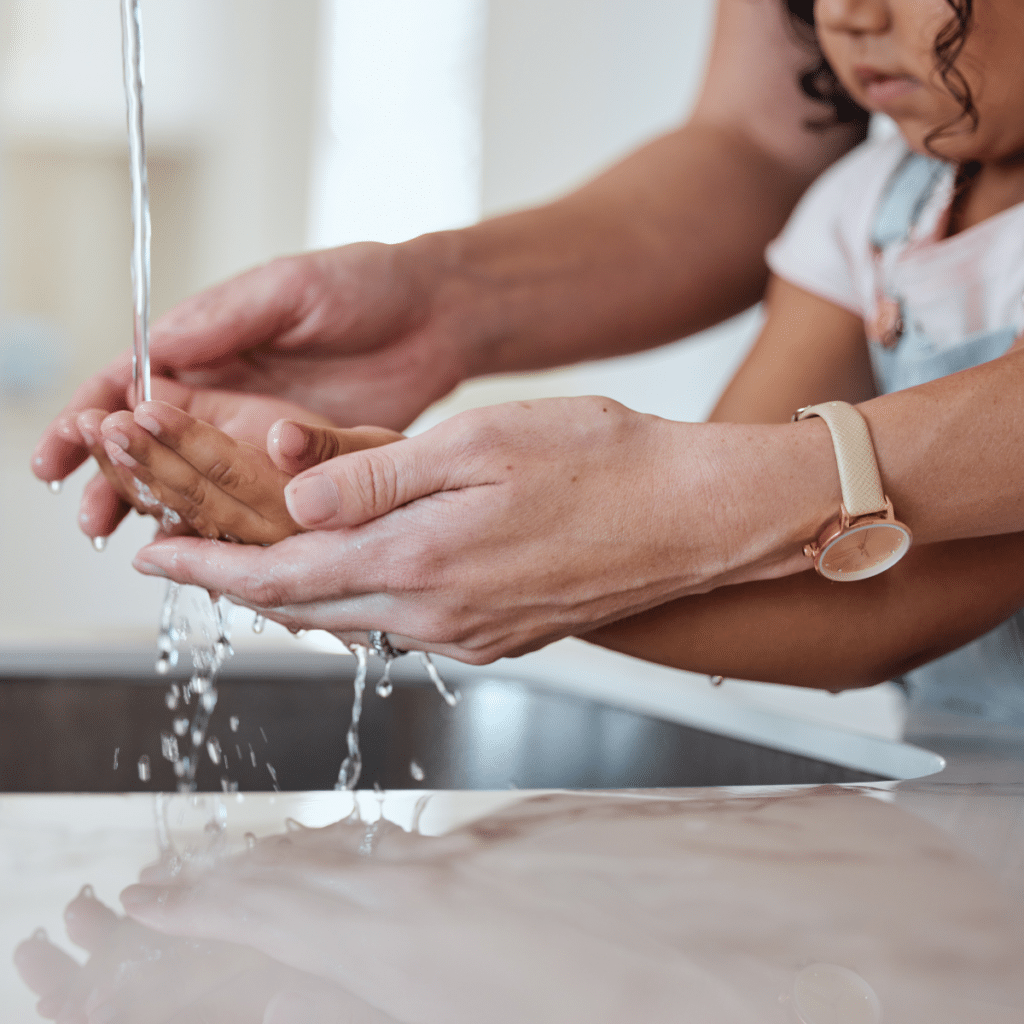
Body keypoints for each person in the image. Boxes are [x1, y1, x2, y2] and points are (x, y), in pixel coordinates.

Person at [29, 0, 1024, 674]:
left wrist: (490, 556)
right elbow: (740, 544)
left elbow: (892, 598)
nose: (848, 14)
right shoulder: (862, 212)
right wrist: (414, 536)